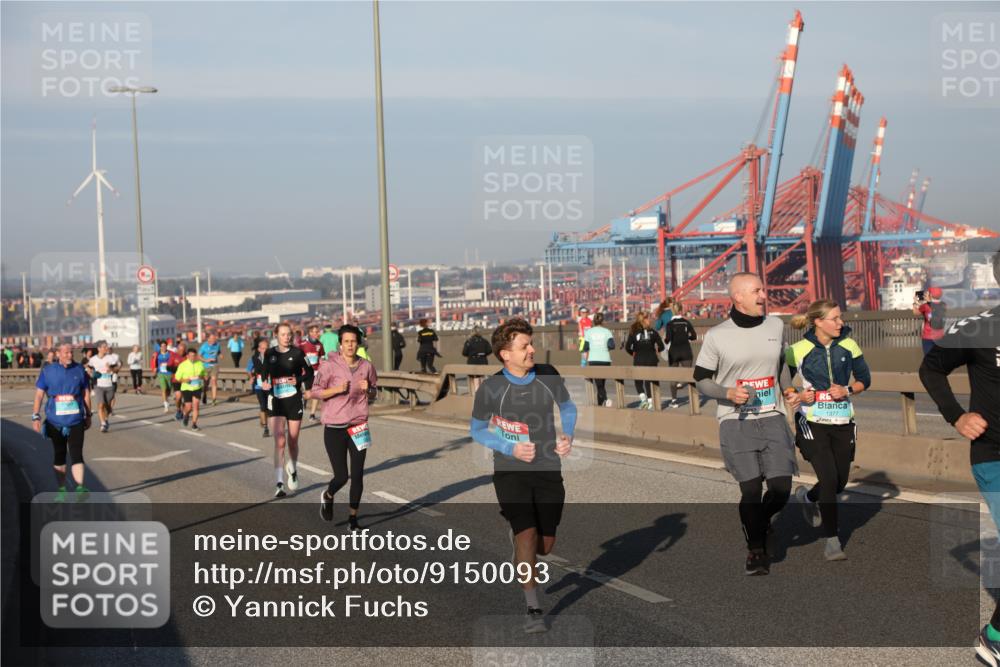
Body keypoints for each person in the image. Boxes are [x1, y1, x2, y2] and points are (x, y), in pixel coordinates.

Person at [918, 250, 999, 666]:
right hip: (995, 456)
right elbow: (931, 369)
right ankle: (995, 638)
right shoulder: (981, 327)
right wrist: (957, 415)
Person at [470, 318, 576, 634]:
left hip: (547, 467)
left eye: (530, 343)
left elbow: (567, 408)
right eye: (524, 346)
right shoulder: (492, 387)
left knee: (545, 544)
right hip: (510, 470)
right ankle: (533, 607)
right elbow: (476, 430)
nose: (532, 350)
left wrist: (567, 435)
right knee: (526, 534)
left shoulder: (548, 375)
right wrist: (510, 448)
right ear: (505, 354)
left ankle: (523, 548)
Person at [693, 272, 800, 576]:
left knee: (781, 489)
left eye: (763, 290)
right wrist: (726, 393)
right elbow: (700, 379)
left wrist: (788, 389)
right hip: (735, 420)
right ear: (737, 297)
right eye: (756, 291)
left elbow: (781, 365)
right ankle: (756, 550)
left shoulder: (775, 326)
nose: (763, 296)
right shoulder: (717, 335)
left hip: (772, 416)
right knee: (751, 490)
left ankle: (760, 520)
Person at [786, 300, 871, 560]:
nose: (841, 323)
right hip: (811, 422)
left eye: (840, 318)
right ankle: (833, 540)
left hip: (843, 420)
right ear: (818, 322)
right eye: (835, 318)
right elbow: (783, 382)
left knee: (839, 482)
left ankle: (808, 497)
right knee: (829, 477)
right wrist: (797, 395)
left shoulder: (849, 345)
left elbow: (865, 379)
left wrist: (846, 390)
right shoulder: (796, 349)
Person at [312, 324, 378, 530]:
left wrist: (371, 390)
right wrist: (335, 389)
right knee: (342, 476)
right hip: (334, 427)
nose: (350, 345)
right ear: (340, 344)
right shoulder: (328, 366)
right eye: (346, 342)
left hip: (358, 425)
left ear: (358, 344)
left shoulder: (366, 367)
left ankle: (353, 520)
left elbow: (375, 392)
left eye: (353, 342)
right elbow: (315, 391)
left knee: (358, 474)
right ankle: (328, 494)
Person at [32, 343, 92, 501]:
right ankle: (62, 490)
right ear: (58, 354)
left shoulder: (79, 369)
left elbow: (86, 393)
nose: (70, 355)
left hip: (76, 419)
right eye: (66, 353)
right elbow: (39, 395)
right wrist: (36, 416)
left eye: (71, 352)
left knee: (76, 453)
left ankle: (80, 488)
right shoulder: (48, 371)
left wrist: (88, 414)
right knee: (60, 455)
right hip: (55, 421)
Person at [261, 323, 313, 498]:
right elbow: (263, 374)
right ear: (276, 335)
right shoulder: (270, 353)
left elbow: (310, 372)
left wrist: (297, 380)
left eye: (289, 334)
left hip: (293, 400)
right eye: (283, 334)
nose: (287, 337)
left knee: (292, 439)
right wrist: (265, 383)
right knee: (280, 441)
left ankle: (293, 467)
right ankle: (279, 483)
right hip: (275, 401)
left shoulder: (298, 353)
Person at [625, 311, 664, 410]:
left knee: (638, 381)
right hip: (652, 359)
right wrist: (657, 351)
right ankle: (651, 401)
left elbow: (627, 347)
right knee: (649, 380)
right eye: (648, 318)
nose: (650, 320)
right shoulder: (653, 332)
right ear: (645, 319)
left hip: (639, 359)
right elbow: (662, 346)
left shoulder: (633, 332)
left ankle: (643, 400)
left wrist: (633, 353)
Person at [663, 308, 698, 408]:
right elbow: (694, 336)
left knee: (673, 377)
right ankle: (694, 400)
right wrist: (687, 338)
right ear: (680, 311)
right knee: (689, 375)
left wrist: (665, 341)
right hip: (686, 351)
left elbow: (668, 339)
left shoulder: (669, 324)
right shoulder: (686, 322)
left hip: (673, 352)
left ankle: (674, 401)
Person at [582, 312, 615, 407]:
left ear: (594, 321)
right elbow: (612, 346)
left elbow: (585, 347)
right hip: (605, 360)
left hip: (594, 360)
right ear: (602, 321)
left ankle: (606, 399)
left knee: (599, 384)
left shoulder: (589, 332)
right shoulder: (607, 331)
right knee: (601, 384)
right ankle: (600, 405)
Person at [86, 340, 120, 433]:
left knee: (108, 406)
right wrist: (90, 372)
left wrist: (111, 369)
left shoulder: (110, 358)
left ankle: (105, 419)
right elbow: (88, 367)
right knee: (100, 404)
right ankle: (103, 423)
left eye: (107, 347)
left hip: (110, 385)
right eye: (104, 347)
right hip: (98, 385)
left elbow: (117, 368)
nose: (106, 348)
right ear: (99, 348)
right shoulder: (93, 359)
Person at [299, 324, 326, 422]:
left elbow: (322, 357)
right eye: (314, 332)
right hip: (306, 372)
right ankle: (302, 397)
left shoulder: (320, 345)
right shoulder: (302, 344)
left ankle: (312, 415)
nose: (316, 334)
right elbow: (297, 357)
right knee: (309, 394)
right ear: (309, 333)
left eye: (317, 332)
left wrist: (322, 366)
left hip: (316, 371)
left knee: (317, 393)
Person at [174, 348, 206, 430]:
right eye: (191, 356)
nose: (192, 357)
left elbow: (205, 375)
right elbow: (177, 378)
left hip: (197, 387)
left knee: (196, 406)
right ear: (187, 356)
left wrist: (201, 377)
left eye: (194, 356)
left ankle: (194, 424)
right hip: (186, 388)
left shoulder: (200, 364)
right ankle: (186, 415)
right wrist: (185, 380)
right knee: (188, 407)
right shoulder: (182, 365)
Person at [246, 337, 272, 437]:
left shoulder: (272, 358)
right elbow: (249, 370)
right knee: (263, 406)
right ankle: (266, 428)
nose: (265, 350)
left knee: (270, 408)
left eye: (267, 348)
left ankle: (263, 417)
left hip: (270, 386)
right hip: (259, 387)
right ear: (259, 349)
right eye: (263, 348)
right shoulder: (254, 359)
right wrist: (251, 377)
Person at [913, 286, 946, 354]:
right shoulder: (943, 305)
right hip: (940, 336)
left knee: (929, 358)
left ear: (930, 295)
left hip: (928, 336)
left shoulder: (925, 306)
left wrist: (915, 302)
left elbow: (916, 312)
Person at [198, 333, 222, 406]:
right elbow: (199, 356)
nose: (214, 340)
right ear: (208, 339)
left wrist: (220, 355)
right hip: (206, 366)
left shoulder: (217, 345)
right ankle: (204, 393)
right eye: (212, 338)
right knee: (206, 383)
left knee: (214, 381)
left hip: (215, 365)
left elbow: (218, 351)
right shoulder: (204, 346)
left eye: (214, 338)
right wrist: (206, 360)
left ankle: (214, 400)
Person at [152, 341, 175, 412]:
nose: (163, 347)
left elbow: (174, 361)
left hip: (169, 373)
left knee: (168, 390)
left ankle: (167, 400)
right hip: (161, 373)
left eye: (165, 346)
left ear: (166, 346)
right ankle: (166, 406)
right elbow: (153, 362)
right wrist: (154, 369)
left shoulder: (171, 353)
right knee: (163, 389)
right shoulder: (157, 354)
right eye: (162, 346)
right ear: (160, 347)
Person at [171, 341, 188, 421]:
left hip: (186, 380)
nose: (181, 352)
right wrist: (178, 369)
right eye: (180, 350)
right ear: (177, 350)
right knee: (178, 397)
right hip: (176, 380)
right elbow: (168, 367)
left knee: (186, 398)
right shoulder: (173, 356)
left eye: (183, 350)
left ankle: (184, 411)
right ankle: (178, 410)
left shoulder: (188, 357)